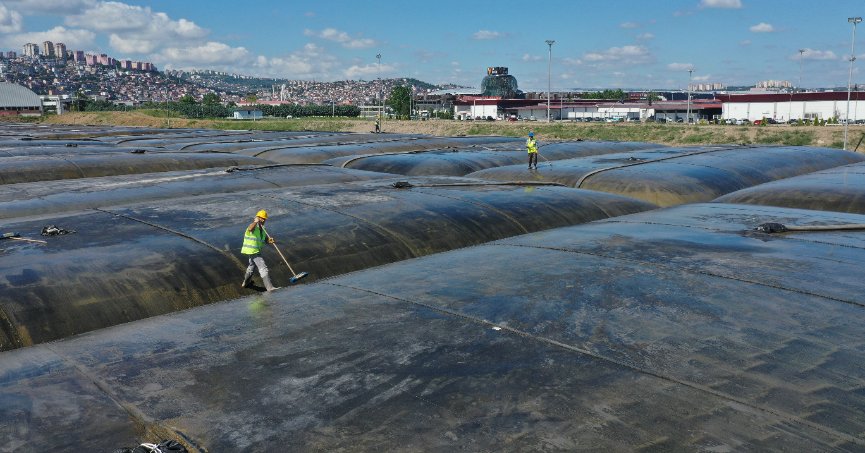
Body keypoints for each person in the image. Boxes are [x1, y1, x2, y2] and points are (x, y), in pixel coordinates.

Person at [241, 209, 278, 291]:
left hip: (255, 250)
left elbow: (265, 240)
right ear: (258, 218)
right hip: (253, 251)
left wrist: (269, 241)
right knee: (263, 267)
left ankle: (246, 283)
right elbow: (250, 229)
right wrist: (255, 222)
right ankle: (270, 287)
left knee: (251, 266)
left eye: (264, 219)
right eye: (262, 218)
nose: (264, 220)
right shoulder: (253, 226)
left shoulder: (263, 229)